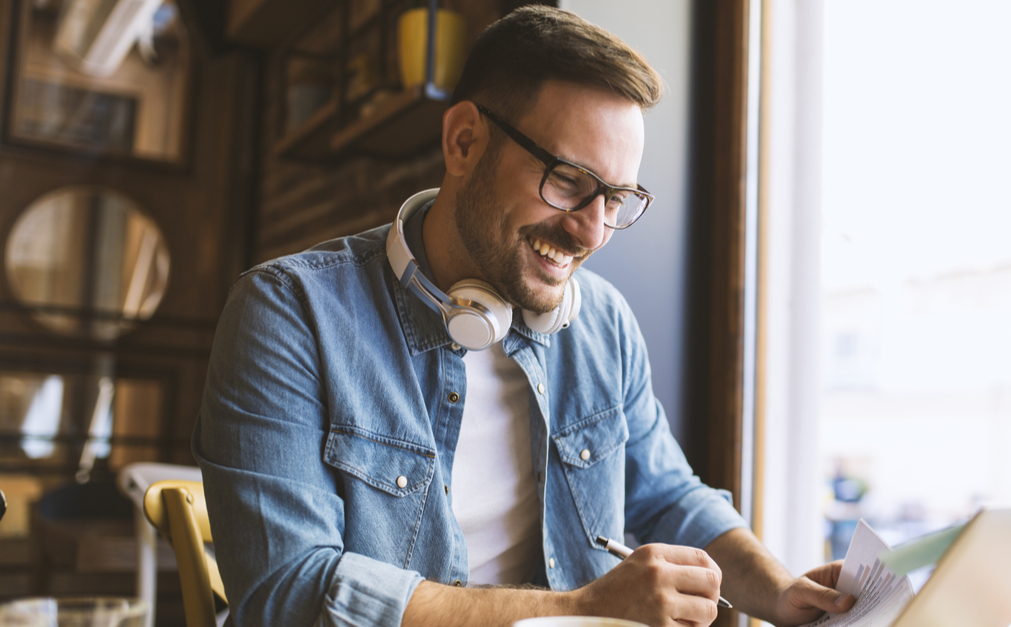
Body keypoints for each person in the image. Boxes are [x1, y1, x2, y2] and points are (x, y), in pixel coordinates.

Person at [195, 6, 854, 626]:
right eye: (567, 181)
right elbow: (286, 594)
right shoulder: (289, 315)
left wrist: (779, 588)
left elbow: (665, 494)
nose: (592, 231)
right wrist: (578, 608)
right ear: (463, 142)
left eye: (616, 198)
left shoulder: (603, 323)